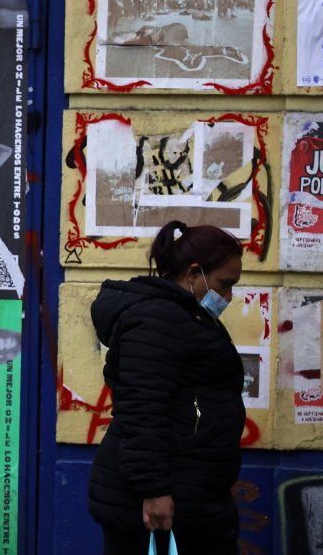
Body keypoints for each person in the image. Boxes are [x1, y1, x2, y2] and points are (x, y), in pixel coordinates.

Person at [88, 220, 245, 555]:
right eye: (225, 283)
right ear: (193, 273)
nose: (229, 296)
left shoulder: (185, 318)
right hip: (155, 502)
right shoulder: (158, 321)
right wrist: (154, 489)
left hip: (191, 493)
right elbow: (143, 409)